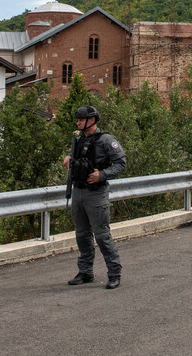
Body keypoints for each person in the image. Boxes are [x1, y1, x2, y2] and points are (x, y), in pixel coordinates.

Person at [63, 105, 127, 289]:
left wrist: (102, 175)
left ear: (92, 120)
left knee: (102, 235)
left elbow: (121, 164)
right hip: (79, 193)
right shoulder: (79, 141)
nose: (78, 122)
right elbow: (79, 161)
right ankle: (85, 272)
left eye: (81, 119)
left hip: (96, 194)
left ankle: (114, 273)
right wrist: (69, 158)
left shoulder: (106, 140)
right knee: (82, 235)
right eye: (77, 119)